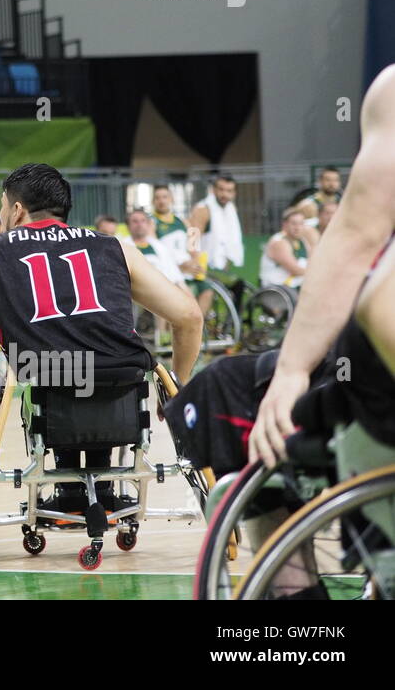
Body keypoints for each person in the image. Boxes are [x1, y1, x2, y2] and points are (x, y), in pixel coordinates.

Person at [164, 67, 395, 598]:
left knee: (236, 378)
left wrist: (292, 367)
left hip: (320, 328)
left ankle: (272, 524)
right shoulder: (215, 216)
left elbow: (355, 242)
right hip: (242, 283)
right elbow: (312, 257)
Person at [0, 163, 203, 512]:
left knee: (53, 371)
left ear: (16, 210)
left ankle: (68, 484)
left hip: (46, 374)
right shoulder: (116, 247)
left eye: (3, 205)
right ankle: (101, 483)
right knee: (98, 374)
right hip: (122, 376)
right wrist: (178, 384)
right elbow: (189, 317)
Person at [189, 174, 242, 318]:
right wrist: (195, 263)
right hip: (201, 267)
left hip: (219, 266)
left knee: (238, 286)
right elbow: (193, 237)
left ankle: (228, 327)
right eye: (221, 189)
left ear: (234, 193)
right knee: (238, 285)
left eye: (229, 190)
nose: (225, 194)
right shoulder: (203, 209)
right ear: (213, 190)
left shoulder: (231, 209)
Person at [259, 208, 311, 289]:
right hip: (276, 291)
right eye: (294, 223)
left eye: (301, 224)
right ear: (285, 225)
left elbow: (312, 262)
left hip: (292, 287)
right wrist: (316, 272)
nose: (297, 228)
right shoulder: (279, 242)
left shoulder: (302, 241)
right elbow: (295, 270)